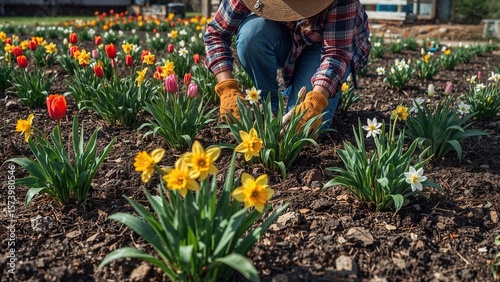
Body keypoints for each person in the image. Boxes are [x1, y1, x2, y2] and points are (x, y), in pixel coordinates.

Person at [203, 0, 371, 132]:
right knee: (251, 35)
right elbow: (216, 33)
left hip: (323, 45)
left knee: (305, 127)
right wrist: (227, 89)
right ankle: (271, 107)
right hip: (284, 36)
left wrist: (316, 100)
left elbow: (336, 53)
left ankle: (323, 86)